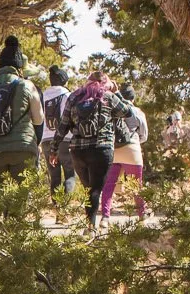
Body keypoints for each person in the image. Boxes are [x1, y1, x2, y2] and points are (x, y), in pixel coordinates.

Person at [61, 70, 133, 225]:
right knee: (95, 189)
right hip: (102, 148)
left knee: (88, 189)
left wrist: (54, 149)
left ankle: (90, 224)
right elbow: (128, 112)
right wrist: (117, 93)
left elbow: (63, 125)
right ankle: (91, 227)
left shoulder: (74, 97)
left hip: (78, 150)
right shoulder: (108, 96)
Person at [0, 36, 45, 178]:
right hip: (23, 147)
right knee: (24, 190)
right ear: (20, 67)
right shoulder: (27, 85)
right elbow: (39, 119)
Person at [101, 87, 152, 220]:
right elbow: (144, 136)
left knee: (109, 185)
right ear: (133, 98)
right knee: (136, 185)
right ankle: (142, 213)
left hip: (114, 149)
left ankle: (105, 216)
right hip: (132, 149)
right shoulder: (137, 111)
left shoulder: (111, 110)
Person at [40, 64, 73, 193]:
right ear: (64, 81)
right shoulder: (68, 95)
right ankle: (67, 201)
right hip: (65, 139)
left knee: (54, 175)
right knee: (70, 173)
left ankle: (56, 203)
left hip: (46, 140)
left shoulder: (42, 96)